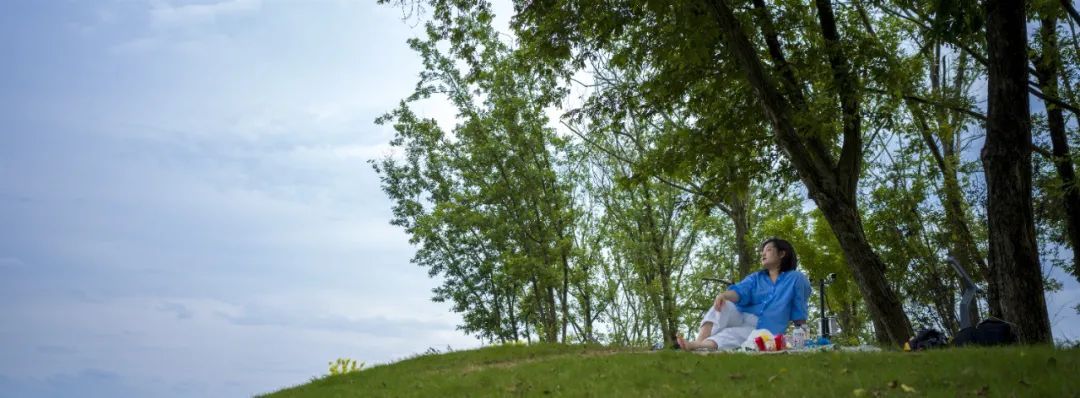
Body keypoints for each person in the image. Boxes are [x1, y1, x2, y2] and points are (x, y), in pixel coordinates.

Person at [677, 237, 811, 350]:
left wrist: (803, 335)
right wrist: (724, 295)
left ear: (782, 254)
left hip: (764, 328)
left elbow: (799, 308)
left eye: (768, 250)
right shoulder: (756, 277)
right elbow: (740, 292)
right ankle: (697, 342)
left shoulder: (796, 278)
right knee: (724, 304)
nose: (763, 254)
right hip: (741, 314)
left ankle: (700, 347)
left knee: (730, 335)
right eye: (762, 252)